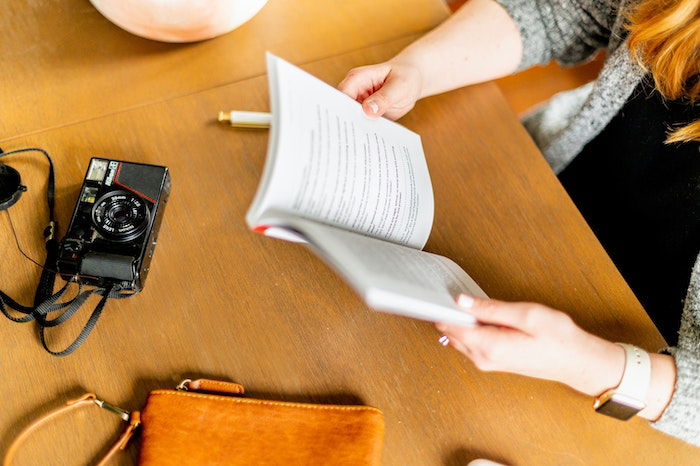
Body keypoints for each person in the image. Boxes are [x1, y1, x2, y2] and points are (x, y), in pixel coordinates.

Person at [337, 0, 699, 446]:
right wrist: (417, 69)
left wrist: (593, 365)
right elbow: (563, 11)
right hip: (542, 198)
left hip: (637, 383)